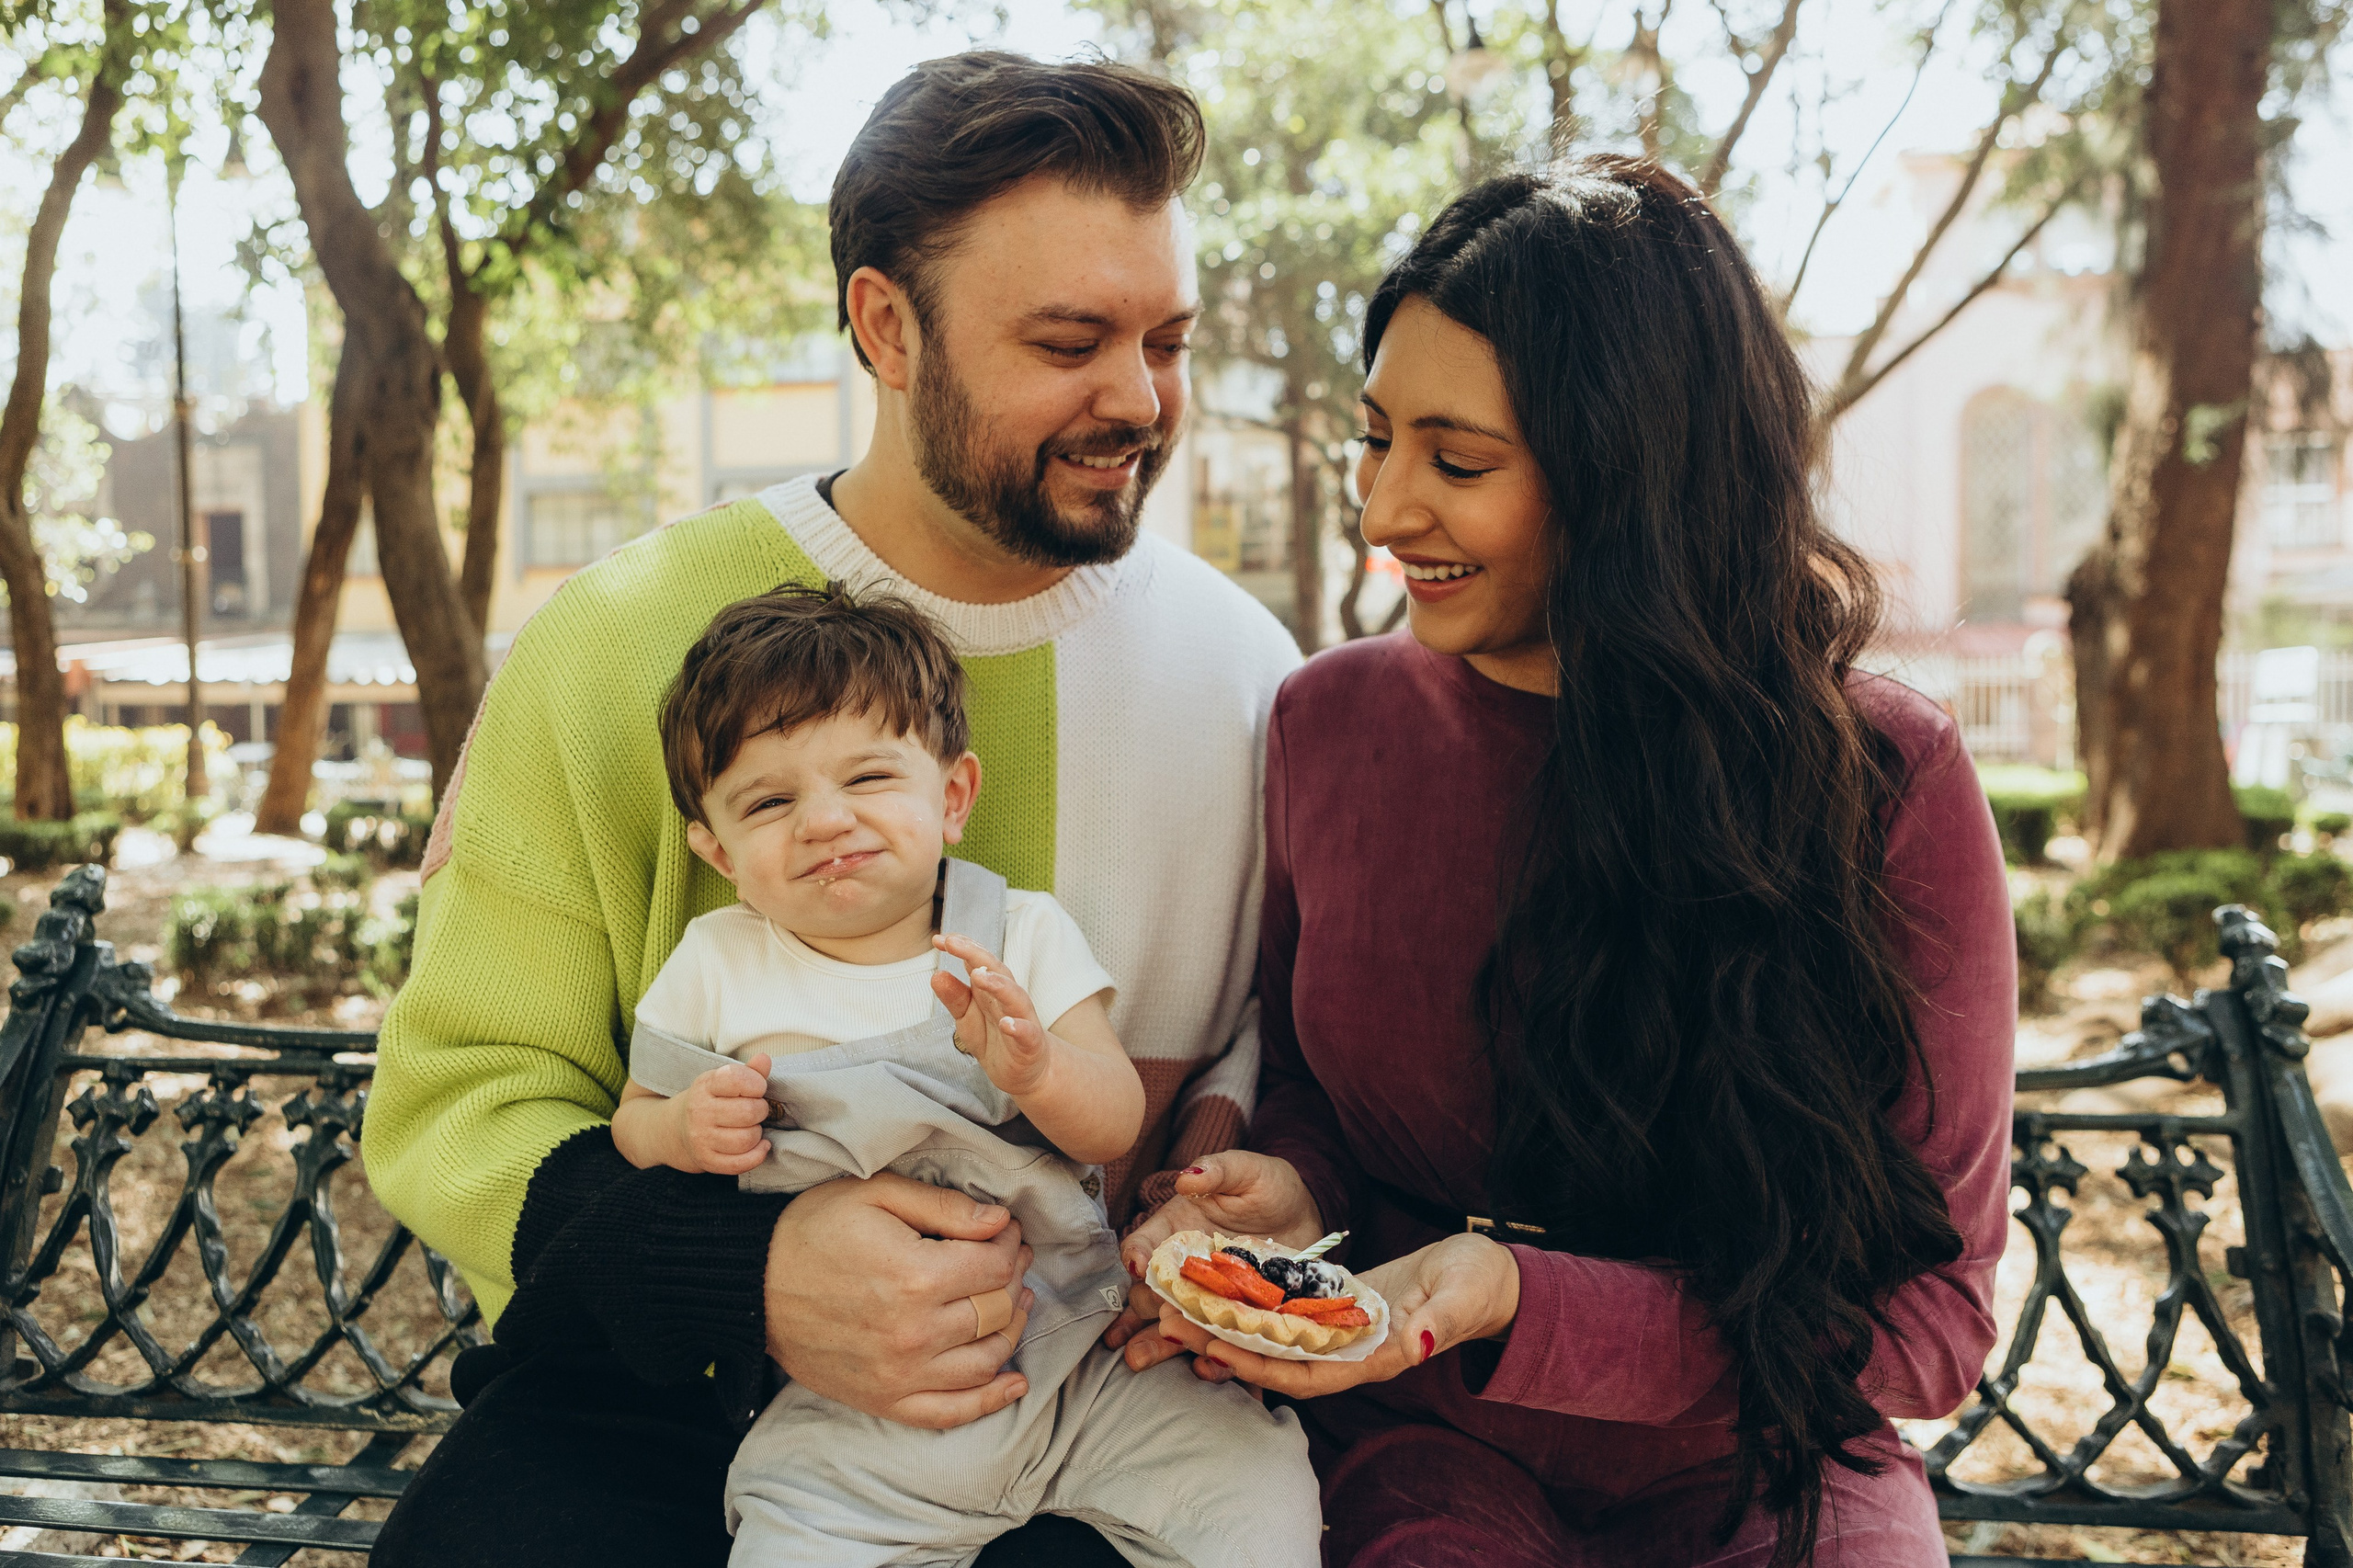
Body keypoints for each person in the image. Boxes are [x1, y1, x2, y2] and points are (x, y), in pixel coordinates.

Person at [363, 52, 1301, 1568]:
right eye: (1069, 341)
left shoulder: (1252, 677)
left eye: (1168, 341)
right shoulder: (610, 646)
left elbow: (1295, 1069)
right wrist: (750, 1270)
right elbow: (462, 1103)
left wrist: (1252, 1196)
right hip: (658, 1394)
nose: (1137, 400)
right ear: (887, 327)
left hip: (1102, 1395)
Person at [1112, 158, 2017, 1566]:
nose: (1383, 512)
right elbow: (1316, 1089)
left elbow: (1928, 1325)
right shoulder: (1326, 723)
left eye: (1459, 462)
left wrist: (1522, 1298)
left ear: (1631, 472)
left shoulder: (1883, 776)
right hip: (1417, 1440)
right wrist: (1295, 1191)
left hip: (1768, 1454)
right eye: (1376, 440)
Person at [618, 582, 1317, 1566]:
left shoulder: (1019, 934)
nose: (825, 820)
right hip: (860, 1407)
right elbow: (634, 1118)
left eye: (868, 778)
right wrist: (684, 1129)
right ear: (718, 851)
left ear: (951, 798)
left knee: (1256, 1489)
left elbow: (1113, 1122)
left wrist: (1040, 1068)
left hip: (1082, 1359)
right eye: (769, 801)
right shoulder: (718, 962)